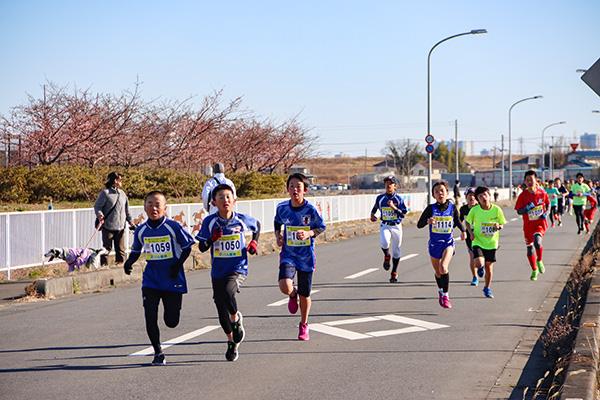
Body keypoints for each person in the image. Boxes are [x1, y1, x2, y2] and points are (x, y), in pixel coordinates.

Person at [123, 191, 195, 366]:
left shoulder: (173, 227)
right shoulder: (141, 230)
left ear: (165, 208)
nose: (153, 208)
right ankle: (158, 352)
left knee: (171, 322)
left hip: (172, 278)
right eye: (149, 204)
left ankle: (171, 317)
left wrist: (176, 265)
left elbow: (187, 247)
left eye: (157, 204)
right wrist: (129, 262)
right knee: (150, 316)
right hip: (151, 280)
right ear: (144, 206)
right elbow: (136, 250)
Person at [196, 184, 261, 361]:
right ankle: (231, 342)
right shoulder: (210, 222)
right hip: (218, 271)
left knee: (228, 291)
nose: (225, 200)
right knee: (220, 307)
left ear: (234, 200)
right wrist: (212, 239)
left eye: (228, 196)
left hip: (237, 267)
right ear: (213, 202)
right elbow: (202, 247)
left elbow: (257, 226)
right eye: (220, 197)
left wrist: (254, 243)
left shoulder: (241, 220)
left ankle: (236, 318)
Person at [274, 173, 326, 341]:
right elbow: (277, 222)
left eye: (298, 187)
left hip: (306, 257)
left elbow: (321, 227)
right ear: (287, 189)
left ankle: (304, 324)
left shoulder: (310, 210)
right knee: (284, 286)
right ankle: (291, 294)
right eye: (291, 186)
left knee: (305, 294)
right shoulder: (282, 208)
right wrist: (278, 235)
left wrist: (309, 233)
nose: (295, 190)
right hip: (288, 254)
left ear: (305, 190)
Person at [417, 181, 466, 309]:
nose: (440, 193)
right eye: (437, 191)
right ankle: (440, 290)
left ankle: (445, 295)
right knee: (438, 272)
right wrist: (428, 221)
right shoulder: (430, 208)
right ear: (433, 195)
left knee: (443, 267)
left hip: (448, 243)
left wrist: (464, 231)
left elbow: (457, 220)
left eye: (442, 190)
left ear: (447, 193)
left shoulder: (452, 207)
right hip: (434, 244)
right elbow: (419, 224)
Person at [465, 186, 506, 298]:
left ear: (489, 196)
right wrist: (471, 233)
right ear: (478, 199)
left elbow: (502, 223)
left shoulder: (497, 209)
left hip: (492, 243)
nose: (483, 197)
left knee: (489, 267)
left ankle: (487, 288)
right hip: (478, 241)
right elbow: (467, 222)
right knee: (478, 262)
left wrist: (499, 226)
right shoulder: (475, 210)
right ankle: (480, 267)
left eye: (485, 195)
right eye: (480, 196)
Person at [370, 176, 408, 283]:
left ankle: (394, 273)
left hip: (396, 226)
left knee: (396, 251)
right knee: (385, 242)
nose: (388, 185)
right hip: (385, 224)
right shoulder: (380, 198)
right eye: (386, 183)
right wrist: (372, 215)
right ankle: (386, 255)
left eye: (390, 183)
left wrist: (394, 208)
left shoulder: (399, 199)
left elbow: (403, 214)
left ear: (395, 186)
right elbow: (375, 208)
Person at [515, 170, 550, 281]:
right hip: (528, 226)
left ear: (536, 181)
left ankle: (539, 260)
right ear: (525, 182)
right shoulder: (523, 196)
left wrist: (546, 213)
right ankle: (534, 269)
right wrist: (526, 209)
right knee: (530, 249)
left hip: (539, 223)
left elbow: (548, 205)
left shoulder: (542, 193)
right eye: (527, 180)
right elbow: (518, 211)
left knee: (537, 241)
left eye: (532, 180)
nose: (530, 182)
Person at [94, 172, 134, 266]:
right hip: (108, 227)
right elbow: (97, 206)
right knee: (106, 250)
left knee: (121, 250)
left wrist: (131, 221)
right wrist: (100, 215)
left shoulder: (123, 194)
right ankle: (104, 268)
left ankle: (121, 268)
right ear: (115, 180)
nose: (121, 182)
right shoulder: (105, 193)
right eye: (120, 180)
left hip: (120, 227)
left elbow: (126, 210)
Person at [459, 187, 479, 286]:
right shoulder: (463, 209)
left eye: (473, 195)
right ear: (466, 198)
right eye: (469, 196)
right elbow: (459, 221)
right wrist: (462, 231)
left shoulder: (480, 207)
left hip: (481, 235)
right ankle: (475, 277)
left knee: (480, 257)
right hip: (470, 236)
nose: (471, 197)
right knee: (472, 256)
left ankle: (481, 266)